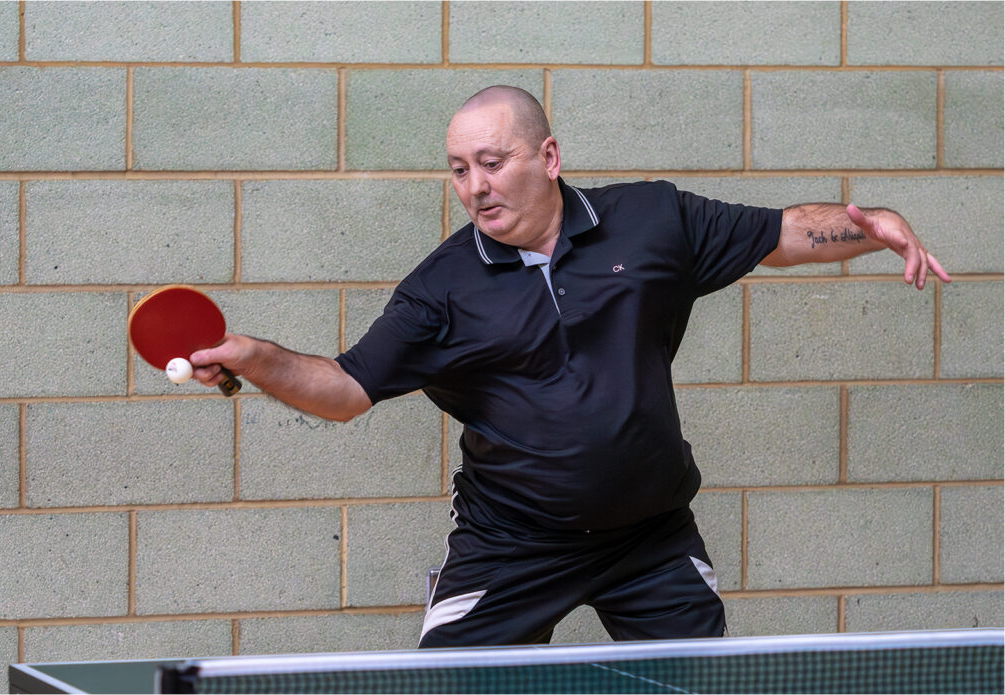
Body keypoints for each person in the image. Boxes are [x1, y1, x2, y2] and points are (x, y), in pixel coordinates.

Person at [191, 86, 950, 647]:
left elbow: (782, 234)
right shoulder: (440, 290)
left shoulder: (652, 221)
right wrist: (255, 357)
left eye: (492, 162)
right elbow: (345, 390)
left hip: (650, 538)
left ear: (549, 157)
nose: (476, 186)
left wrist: (877, 226)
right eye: (459, 169)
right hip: (512, 544)